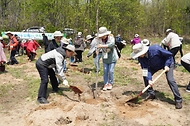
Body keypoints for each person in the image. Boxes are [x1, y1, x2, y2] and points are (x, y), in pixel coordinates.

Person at [130, 43, 182, 109]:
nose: (139, 56)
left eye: (139, 54)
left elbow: (169, 56)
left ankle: (178, 100)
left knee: (170, 79)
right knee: (145, 76)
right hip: (154, 66)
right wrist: (149, 79)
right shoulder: (141, 58)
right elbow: (145, 69)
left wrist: (167, 65)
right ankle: (151, 94)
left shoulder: (156, 49)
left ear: (144, 51)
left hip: (167, 63)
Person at [96, 27, 119, 91]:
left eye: (103, 35)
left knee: (111, 71)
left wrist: (101, 46)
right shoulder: (99, 40)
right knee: (105, 71)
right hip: (105, 58)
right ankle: (105, 83)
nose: (102, 37)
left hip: (112, 57)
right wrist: (97, 50)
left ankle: (110, 83)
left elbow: (111, 45)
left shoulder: (111, 38)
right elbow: (97, 46)